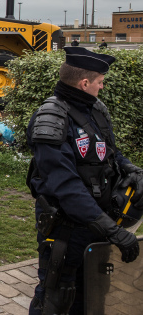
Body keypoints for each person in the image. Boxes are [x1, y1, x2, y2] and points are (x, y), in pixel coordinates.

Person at [26, 47, 143, 315]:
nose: (102, 88)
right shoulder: (52, 118)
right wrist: (112, 231)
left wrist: (132, 170)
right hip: (65, 229)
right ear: (84, 83)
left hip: (96, 224)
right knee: (56, 298)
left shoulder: (95, 110)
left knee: (94, 295)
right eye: (100, 82)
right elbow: (65, 186)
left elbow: (109, 153)